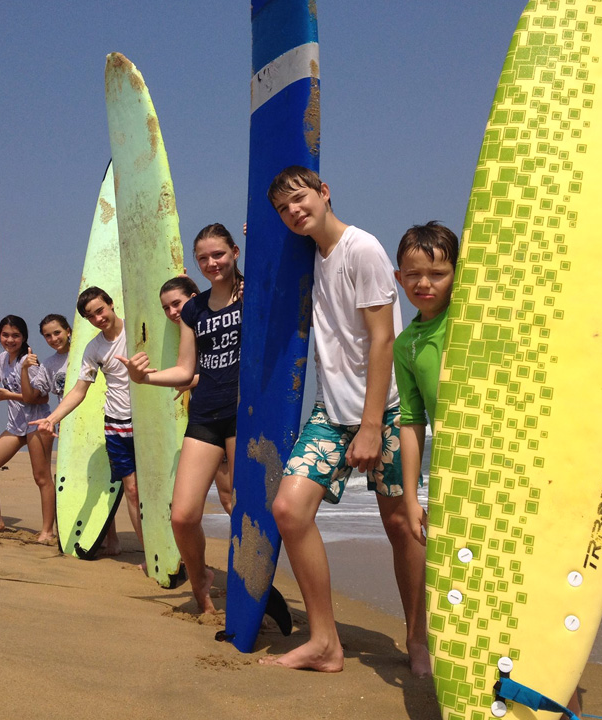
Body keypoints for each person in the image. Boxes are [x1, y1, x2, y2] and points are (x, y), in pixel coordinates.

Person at [392, 222, 602, 695]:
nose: (425, 284)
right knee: (475, 578)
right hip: (461, 477)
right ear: (399, 279)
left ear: (460, 274)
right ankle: (490, 679)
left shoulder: (481, 316)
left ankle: (551, 678)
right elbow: (412, 422)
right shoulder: (408, 345)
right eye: (414, 274)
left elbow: (565, 347)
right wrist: (410, 495)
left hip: (518, 463)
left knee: (531, 573)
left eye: (437, 273)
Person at [259, 166, 414, 674]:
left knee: (399, 524)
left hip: (383, 410)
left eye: (301, 199)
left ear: (325, 193)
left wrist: (372, 425)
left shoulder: (362, 248)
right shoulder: (313, 255)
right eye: (284, 209)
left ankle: (420, 642)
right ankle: (325, 643)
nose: (294, 212)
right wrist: (258, 234)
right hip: (332, 412)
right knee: (289, 509)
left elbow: (383, 339)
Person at [119, 223, 243, 613]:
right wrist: (146, 377)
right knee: (183, 515)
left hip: (244, 414)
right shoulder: (194, 308)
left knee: (242, 509)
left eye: (218, 254)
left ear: (235, 252)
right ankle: (201, 578)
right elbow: (186, 368)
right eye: (203, 257)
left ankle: (248, 591)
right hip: (206, 413)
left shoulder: (252, 294)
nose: (212, 263)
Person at [30, 288, 143, 557]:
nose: (98, 318)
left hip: (146, 423)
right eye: (91, 316)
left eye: (100, 310)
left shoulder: (138, 328)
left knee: (157, 489)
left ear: (111, 304)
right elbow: (80, 389)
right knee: (133, 490)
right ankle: (150, 553)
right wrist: (53, 418)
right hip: (116, 423)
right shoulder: (94, 348)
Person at [0, 315, 55, 543]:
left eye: (16, 335)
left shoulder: (30, 362)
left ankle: (48, 531)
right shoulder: (1, 359)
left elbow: (41, 398)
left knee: (41, 477)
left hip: (38, 422)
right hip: (15, 426)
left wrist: (11, 395)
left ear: (24, 337)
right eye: (5, 335)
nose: (10, 340)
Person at [160, 275, 234, 515]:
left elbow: (226, 370)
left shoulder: (211, 325)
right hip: (205, 420)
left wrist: (190, 380)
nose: (172, 312)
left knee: (234, 496)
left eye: (176, 304)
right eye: (166, 308)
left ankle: (248, 549)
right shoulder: (186, 332)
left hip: (229, 414)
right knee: (226, 497)